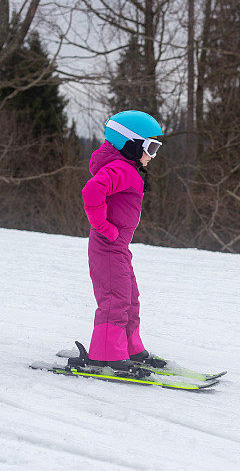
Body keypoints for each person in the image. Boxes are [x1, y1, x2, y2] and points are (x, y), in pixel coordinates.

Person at [81, 110, 163, 370]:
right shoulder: (120, 169)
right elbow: (92, 190)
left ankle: (128, 347)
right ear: (130, 144)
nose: (152, 155)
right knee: (115, 298)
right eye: (150, 146)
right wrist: (104, 227)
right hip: (107, 246)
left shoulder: (128, 169)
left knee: (129, 297)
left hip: (118, 248)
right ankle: (106, 353)